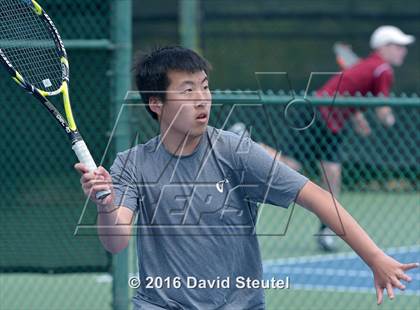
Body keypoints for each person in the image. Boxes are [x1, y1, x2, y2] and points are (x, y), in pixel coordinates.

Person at [75, 46, 417, 309]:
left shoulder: (235, 151)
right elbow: (116, 241)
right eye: (188, 90)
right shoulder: (132, 163)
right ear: (156, 104)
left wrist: (374, 257)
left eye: (205, 88)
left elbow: (318, 197)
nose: (201, 99)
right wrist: (105, 206)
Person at [313, 25, 415, 251]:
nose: (403, 51)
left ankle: (326, 230)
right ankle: (246, 141)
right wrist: (389, 119)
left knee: (332, 174)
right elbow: (382, 108)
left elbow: (350, 91)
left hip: (332, 121)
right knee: (293, 164)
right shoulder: (382, 70)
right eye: (398, 46)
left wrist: (358, 117)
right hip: (320, 115)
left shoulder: (369, 67)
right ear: (384, 47)